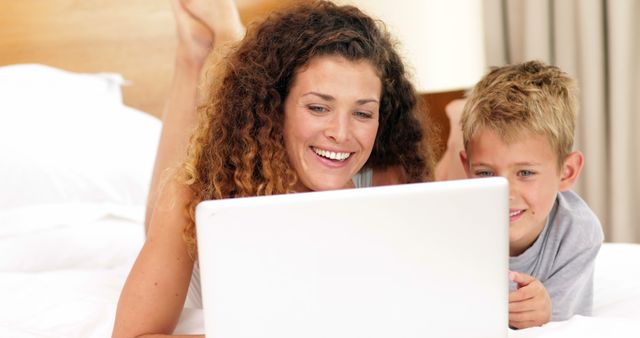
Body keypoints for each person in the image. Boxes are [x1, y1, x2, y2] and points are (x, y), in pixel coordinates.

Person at [112, 0, 436, 336]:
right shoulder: (195, 195)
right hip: (204, 201)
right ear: (275, 106)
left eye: (363, 113)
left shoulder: (388, 184)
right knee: (163, 202)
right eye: (318, 107)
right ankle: (200, 49)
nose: (340, 134)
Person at [458, 60, 604, 329]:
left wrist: (546, 313)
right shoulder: (455, 226)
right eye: (485, 173)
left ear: (567, 172)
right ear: (467, 168)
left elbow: (567, 326)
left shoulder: (578, 232)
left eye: (525, 173)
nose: (505, 193)